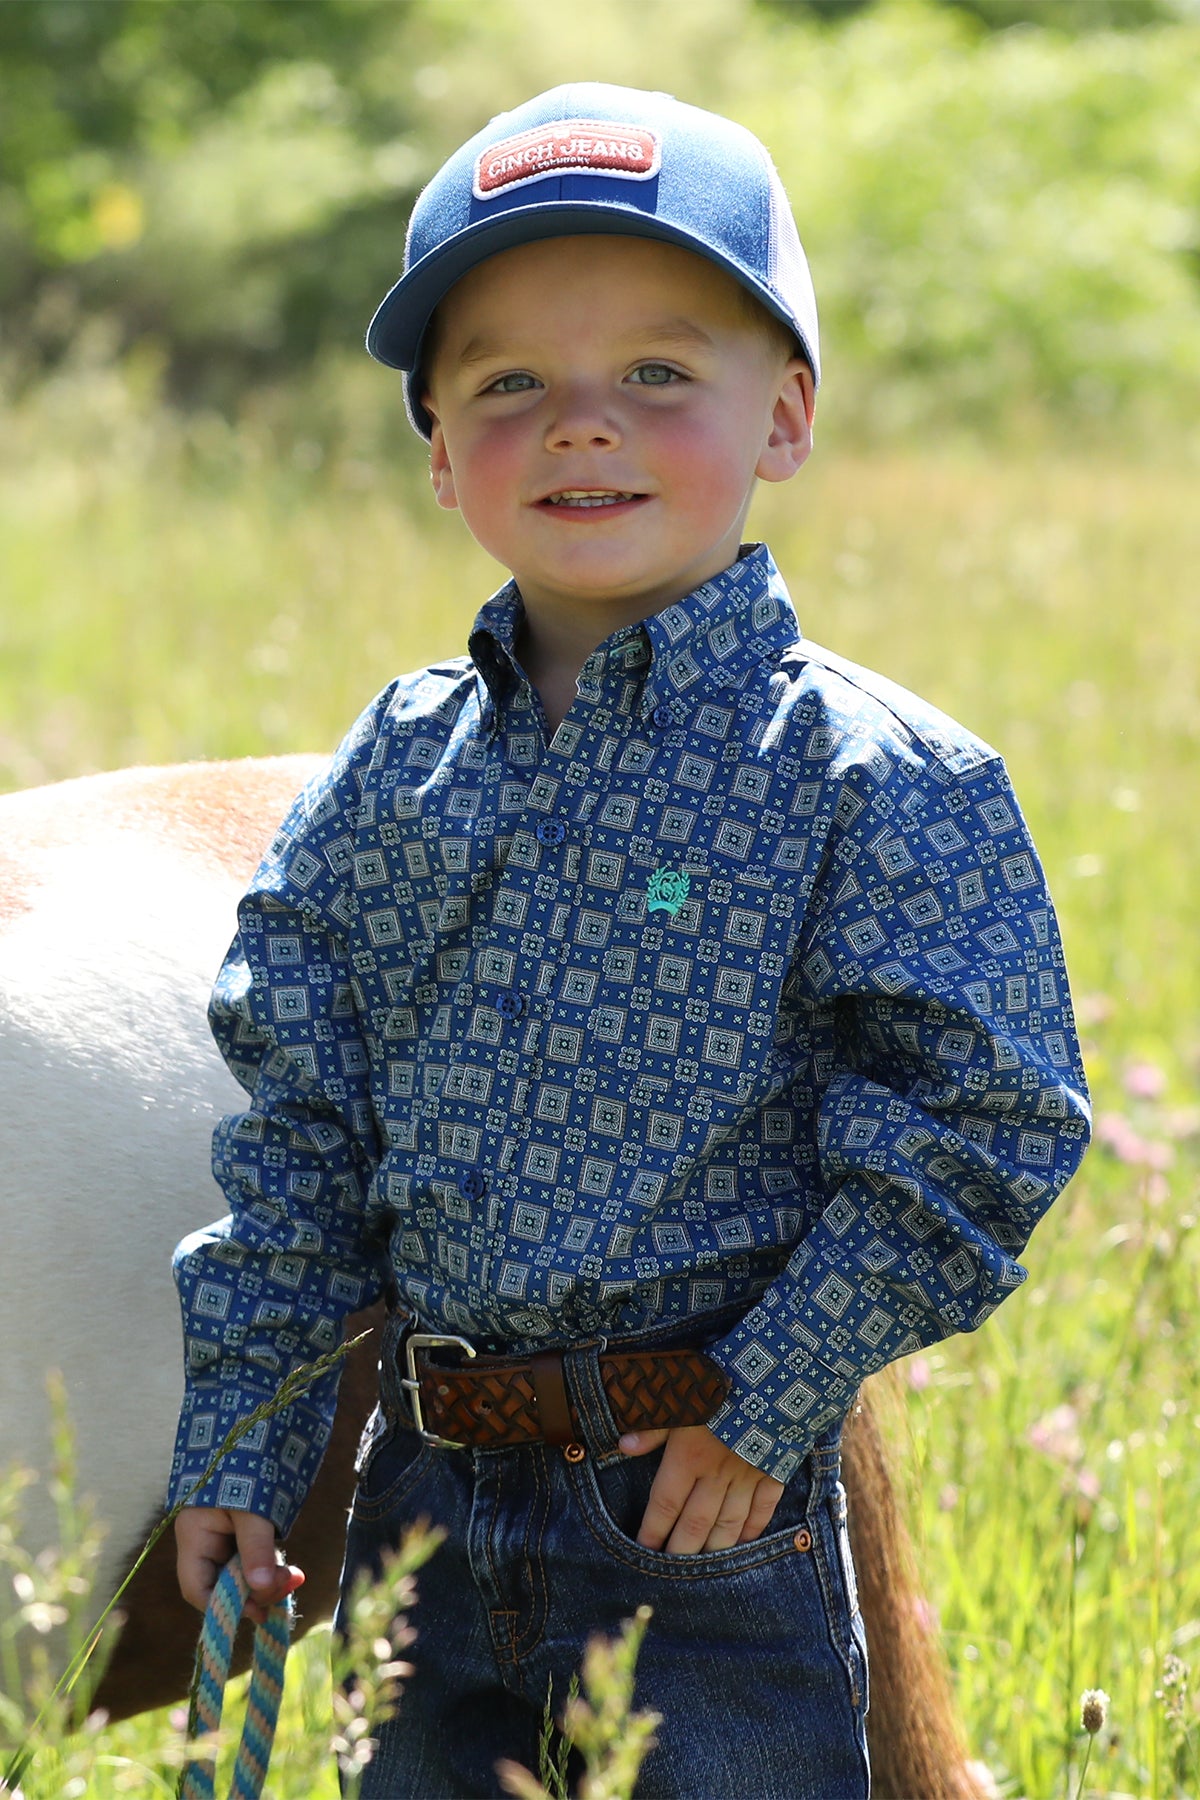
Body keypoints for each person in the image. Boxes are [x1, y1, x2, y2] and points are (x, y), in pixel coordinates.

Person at [170, 83, 1091, 1799]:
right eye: (509, 382)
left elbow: (988, 1120)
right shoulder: (392, 769)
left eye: (659, 374)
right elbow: (299, 1122)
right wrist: (248, 1434)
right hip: (424, 1503)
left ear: (787, 416)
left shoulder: (873, 776)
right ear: (440, 451)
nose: (581, 425)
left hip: (703, 1515)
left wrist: (771, 1396)